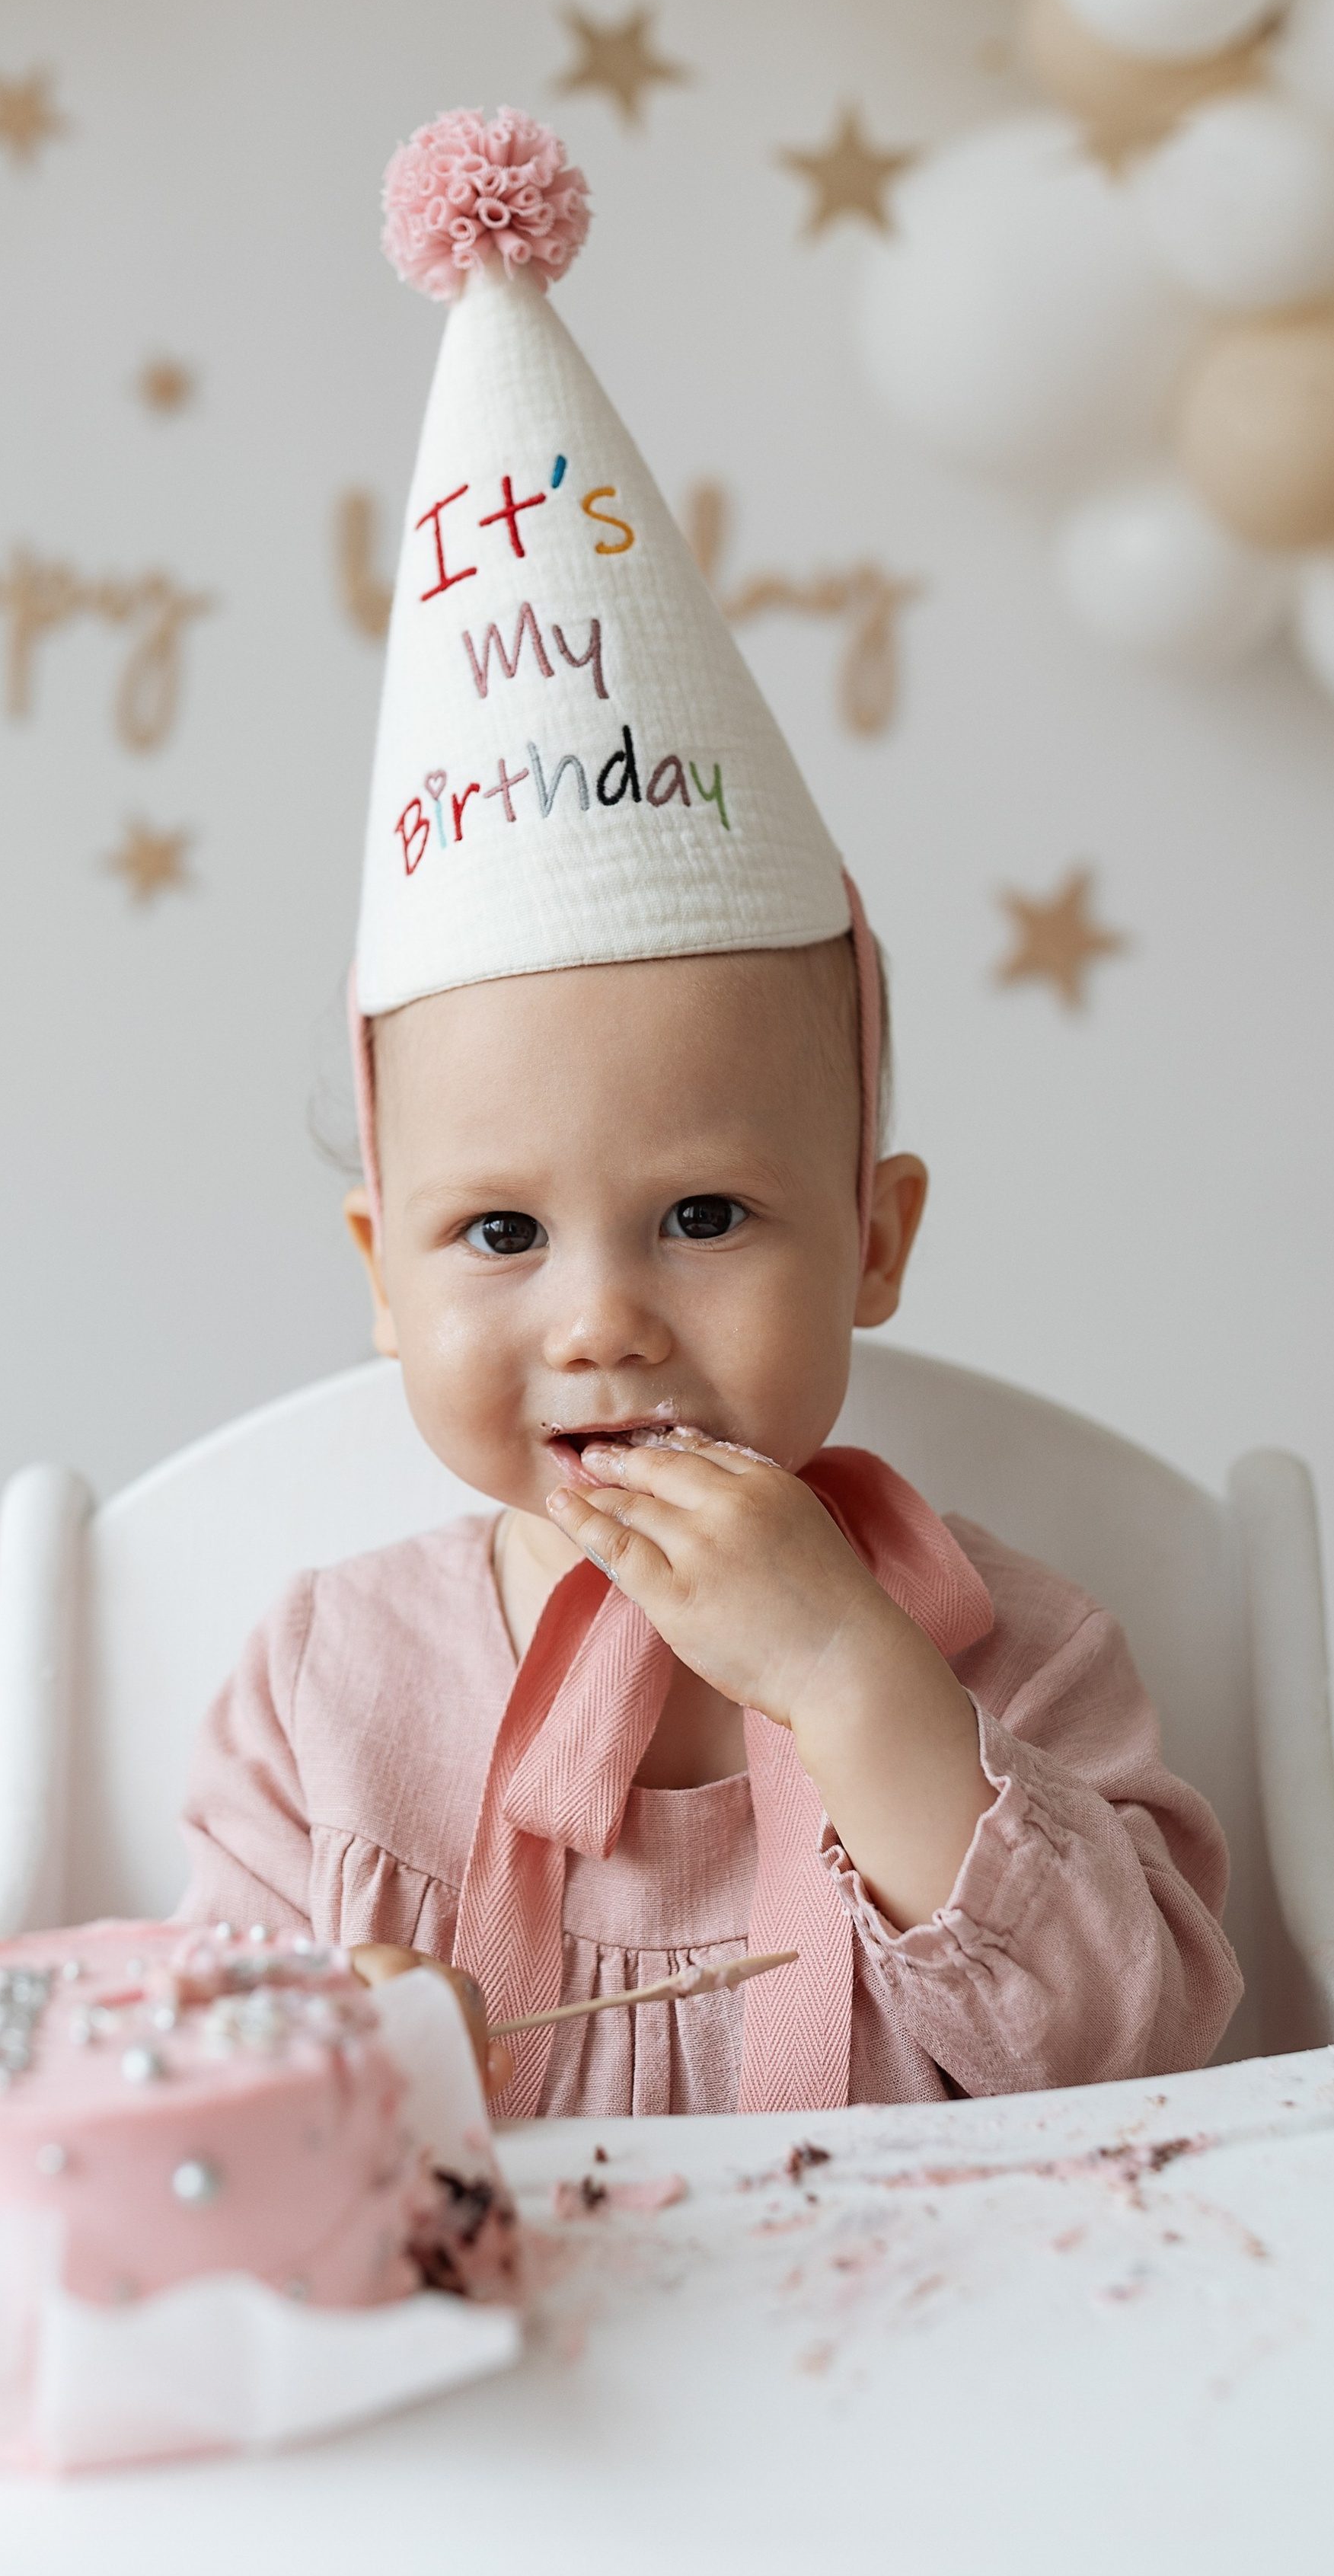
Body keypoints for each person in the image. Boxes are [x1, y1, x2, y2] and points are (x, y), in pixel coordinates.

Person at [178, 108, 1242, 2117]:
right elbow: (212, 2144)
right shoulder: (323, 1702)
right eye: (499, 1232)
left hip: (942, 2383)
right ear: (380, 1279)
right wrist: (334, 2062)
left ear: (877, 1234)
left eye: (703, 1216)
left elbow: (1143, 2053)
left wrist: (856, 1678)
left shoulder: (1014, 1653)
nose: (601, 1319)